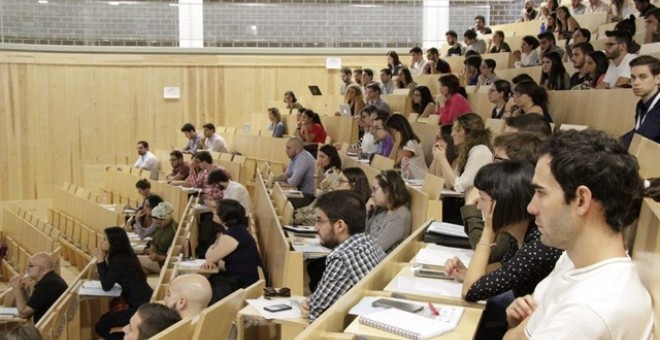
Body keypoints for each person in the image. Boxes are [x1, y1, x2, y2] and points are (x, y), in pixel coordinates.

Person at [504, 129, 653, 339]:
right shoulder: (574, 259)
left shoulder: (588, 311)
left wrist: (518, 328)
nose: (531, 207)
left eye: (540, 192)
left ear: (581, 200)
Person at [447, 161, 562, 339]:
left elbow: (470, 291)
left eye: (483, 200)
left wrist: (488, 231)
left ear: (501, 204)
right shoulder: (522, 233)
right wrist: (467, 272)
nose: (478, 207)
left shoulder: (539, 246)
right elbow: (505, 266)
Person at [301, 191, 386, 321]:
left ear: (340, 225)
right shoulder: (370, 241)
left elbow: (314, 313)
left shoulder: (341, 259)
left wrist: (308, 304)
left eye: (320, 221)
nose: (315, 227)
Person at [95, 227, 153, 340]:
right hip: (142, 300)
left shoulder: (120, 260)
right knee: (103, 319)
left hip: (139, 306)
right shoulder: (125, 255)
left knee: (100, 326)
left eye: (105, 239)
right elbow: (109, 277)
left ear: (114, 242)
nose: (101, 242)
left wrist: (100, 261)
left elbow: (106, 285)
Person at [202, 199, 261, 304]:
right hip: (241, 278)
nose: (213, 212)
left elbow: (210, 257)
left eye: (217, 211)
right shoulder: (237, 230)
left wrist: (213, 247)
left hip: (242, 283)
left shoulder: (234, 234)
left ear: (225, 216)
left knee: (210, 283)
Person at [433, 113, 492, 194]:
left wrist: (443, 160)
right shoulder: (465, 152)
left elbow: (460, 187)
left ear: (468, 132)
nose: (452, 134)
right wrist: (440, 159)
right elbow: (449, 183)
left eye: (457, 130)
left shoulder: (480, 151)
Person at [9, 253, 67, 323]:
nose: (27, 269)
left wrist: (17, 288)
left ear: (40, 268)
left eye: (30, 266)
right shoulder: (51, 279)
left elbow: (24, 314)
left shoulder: (47, 284)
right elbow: (30, 306)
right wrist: (21, 289)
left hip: (46, 331)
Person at [365, 170, 412, 253]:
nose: (372, 194)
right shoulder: (381, 209)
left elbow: (376, 249)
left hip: (378, 261)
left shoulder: (400, 216)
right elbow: (364, 233)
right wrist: (366, 211)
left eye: (375, 190)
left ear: (387, 190)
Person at [621, 55, 660, 147]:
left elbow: (643, 136)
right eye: (633, 77)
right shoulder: (641, 105)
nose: (636, 83)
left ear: (658, 79)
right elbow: (637, 132)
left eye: (643, 77)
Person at [138, 202, 177, 274]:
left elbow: (174, 256)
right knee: (137, 269)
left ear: (166, 218)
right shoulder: (160, 227)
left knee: (133, 259)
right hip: (154, 257)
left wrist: (158, 257)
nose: (158, 224)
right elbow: (154, 241)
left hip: (163, 262)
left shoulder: (174, 230)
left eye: (160, 221)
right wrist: (151, 250)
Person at [385, 114, 428, 180]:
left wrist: (397, 142)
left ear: (400, 129)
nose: (391, 136)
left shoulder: (412, 143)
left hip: (420, 181)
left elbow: (392, 163)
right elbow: (389, 164)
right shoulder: (403, 144)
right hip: (411, 180)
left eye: (392, 132)